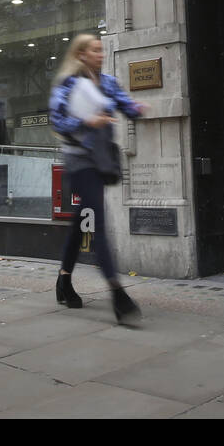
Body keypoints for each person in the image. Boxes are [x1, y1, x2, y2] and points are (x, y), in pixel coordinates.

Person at [49, 33, 149, 323]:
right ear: (81, 54)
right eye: (95, 50)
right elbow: (57, 119)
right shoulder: (68, 84)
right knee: (98, 223)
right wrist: (86, 121)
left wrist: (138, 109)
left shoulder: (105, 82)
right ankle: (118, 295)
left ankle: (64, 279)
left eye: (101, 49)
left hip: (101, 159)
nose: (101, 53)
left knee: (83, 219)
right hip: (79, 161)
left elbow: (123, 103)